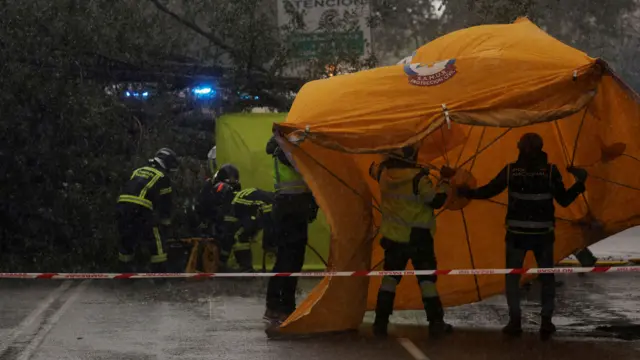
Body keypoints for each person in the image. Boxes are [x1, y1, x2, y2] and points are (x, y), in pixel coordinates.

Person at [457, 133, 588, 340]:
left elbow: (489, 190)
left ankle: (515, 322)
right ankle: (546, 322)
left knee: (512, 277)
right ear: (541, 148)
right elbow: (563, 200)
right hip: (543, 236)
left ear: (518, 148)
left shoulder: (511, 171)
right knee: (547, 278)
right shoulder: (550, 171)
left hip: (516, 236)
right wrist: (580, 183)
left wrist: (466, 193)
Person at [369, 145, 455, 339]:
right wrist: (445, 181)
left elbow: (372, 169)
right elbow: (436, 201)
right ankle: (436, 322)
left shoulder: (383, 173)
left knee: (390, 279)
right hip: (419, 239)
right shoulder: (419, 179)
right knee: (426, 280)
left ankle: (380, 322)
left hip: (393, 238)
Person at [264, 134, 318, 323]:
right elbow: (306, 172)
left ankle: (277, 305)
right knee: (290, 259)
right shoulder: (286, 153)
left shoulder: (282, 152)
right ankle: (282, 306)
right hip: (292, 207)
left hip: (288, 207)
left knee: (288, 259)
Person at [116, 148, 179, 274]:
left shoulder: (138, 170)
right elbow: (165, 206)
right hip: (140, 208)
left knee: (127, 239)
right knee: (155, 240)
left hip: (122, 206)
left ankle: (125, 273)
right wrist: (166, 225)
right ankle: (159, 274)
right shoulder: (162, 177)